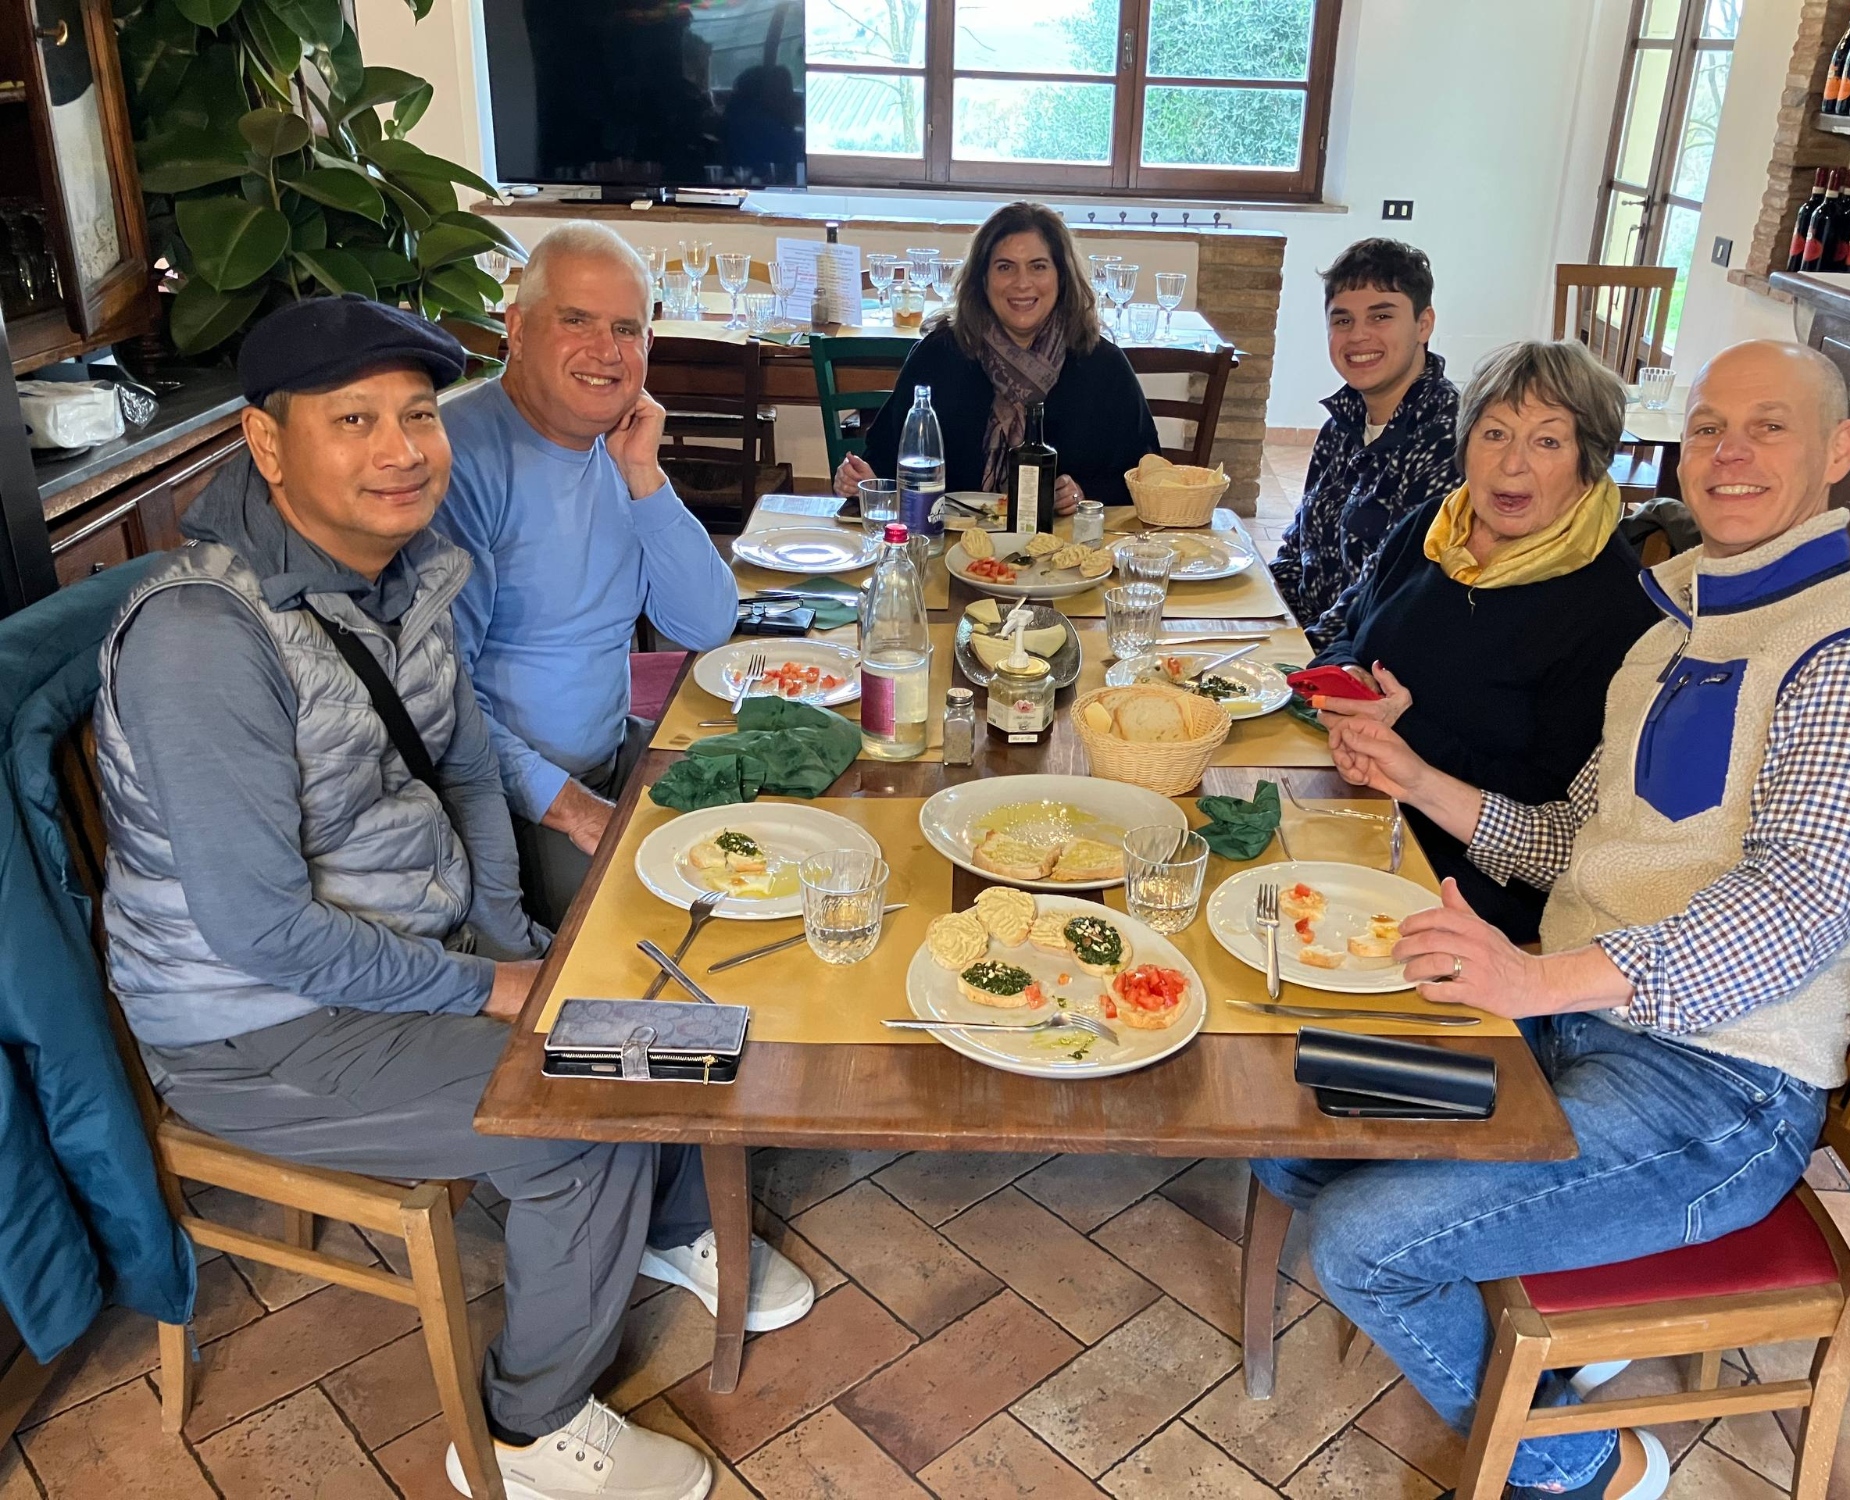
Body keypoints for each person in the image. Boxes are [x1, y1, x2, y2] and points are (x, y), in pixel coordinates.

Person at [95, 296, 809, 1500]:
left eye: (418, 415)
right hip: (255, 1028)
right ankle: (529, 1434)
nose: (401, 449)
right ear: (268, 443)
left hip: (400, 948)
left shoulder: (405, 571)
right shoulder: (202, 642)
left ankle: (665, 1223)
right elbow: (260, 930)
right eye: (353, 420)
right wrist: (490, 986)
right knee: (578, 1113)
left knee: (653, 996)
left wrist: (507, 936)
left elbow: (469, 769)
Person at [1259, 340, 1850, 1500]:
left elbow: (1793, 910)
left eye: (1768, 427)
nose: (1728, 454)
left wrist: (1531, 980)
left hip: (1719, 1089)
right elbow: (1567, 843)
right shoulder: (1671, 630)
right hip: (1572, 1022)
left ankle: (1587, 1467)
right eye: (1707, 428)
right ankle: (1540, 1289)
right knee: (1285, 1116)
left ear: (1839, 450)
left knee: (1359, 1243)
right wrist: (1412, 776)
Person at [436, 222, 737, 928]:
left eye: (626, 330)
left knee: (774, 832)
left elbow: (705, 623)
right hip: (509, 807)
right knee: (675, 922)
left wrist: (644, 474)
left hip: (610, 755)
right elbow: (439, 699)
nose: (606, 351)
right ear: (516, 329)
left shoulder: (617, 446)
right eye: (577, 321)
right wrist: (574, 810)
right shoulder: (457, 459)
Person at [1310, 340, 1657, 943]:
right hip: (1362, 801)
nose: (1512, 464)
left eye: (1548, 442)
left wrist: (1402, 727)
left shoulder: (1615, 605)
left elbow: (1550, 805)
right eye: (1494, 434)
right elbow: (1350, 630)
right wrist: (1351, 682)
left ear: (1590, 464)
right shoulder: (1434, 527)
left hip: (1471, 883)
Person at [832, 200, 1160, 512]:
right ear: (983, 279)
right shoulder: (938, 355)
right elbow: (884, 459)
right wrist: (861, 480)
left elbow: (1145, 477)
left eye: (1038, 266)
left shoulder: (1102, 365)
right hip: (951, 541)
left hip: (1066, 545)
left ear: (1061, 276)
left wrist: (1085, 493)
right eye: (1005, 267)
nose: (1022, 283)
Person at [1269, 238, 1463, 651]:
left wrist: (1289, 657)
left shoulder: (1448, 439)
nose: (1358, 335)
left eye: (1381, 316)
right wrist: (1261, 616)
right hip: (1308, 641)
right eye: (1342, 320)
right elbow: (1296, 551)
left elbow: (1387, 592)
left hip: (1367, 661)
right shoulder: (1339, 426)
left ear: (1424, 324)